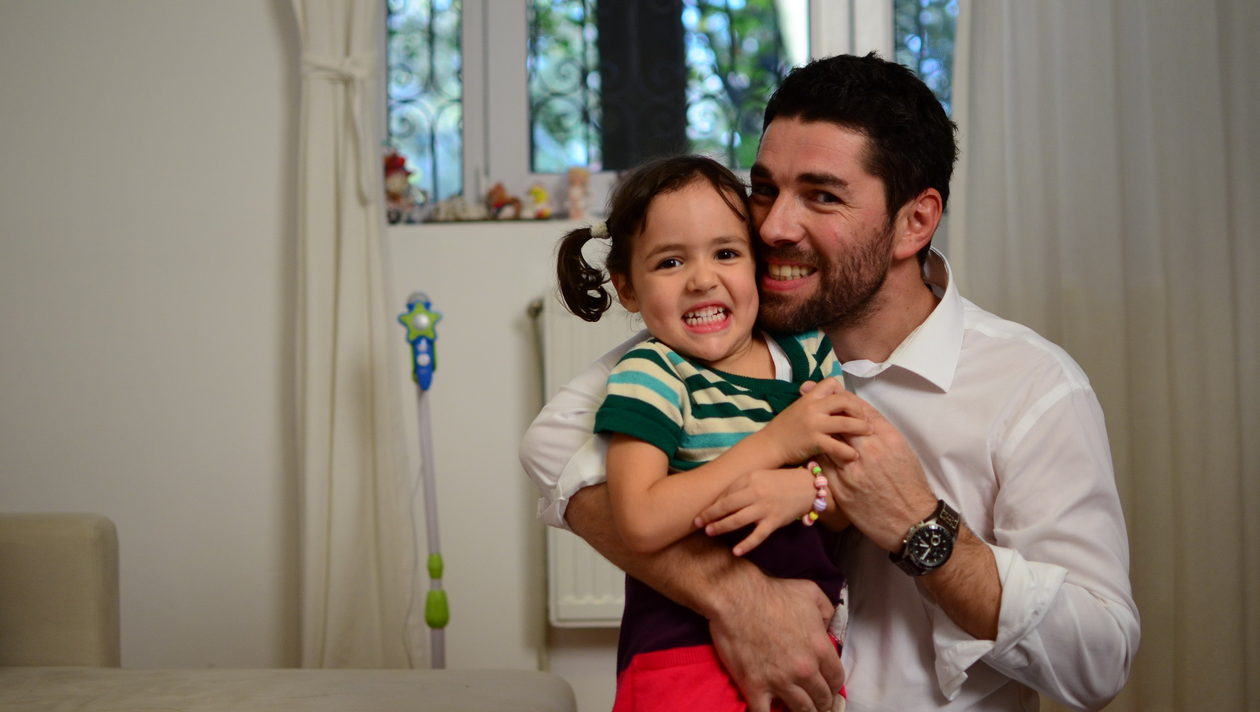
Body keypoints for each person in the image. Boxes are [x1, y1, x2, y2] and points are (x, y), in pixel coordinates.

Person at [522, 53, 1139, 712]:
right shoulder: (726, 339)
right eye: (765, 188)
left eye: (821, 196)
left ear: (914, 222)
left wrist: (922, 529)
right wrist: (735, 595)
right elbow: (551, 443)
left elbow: (1099, 659)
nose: (773, 227)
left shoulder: (1031, 387)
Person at [554, 155, 861, 712]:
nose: (701, 279)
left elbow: (847, 503)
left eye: (725, 253)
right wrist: (774, 445)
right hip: (682, 656)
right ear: (628, 288)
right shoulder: (653, 374)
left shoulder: (810, 352)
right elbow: (641, 520)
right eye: (670, 262)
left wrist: (807, 490)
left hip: (809, 644)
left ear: (756, 262)